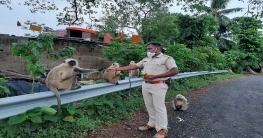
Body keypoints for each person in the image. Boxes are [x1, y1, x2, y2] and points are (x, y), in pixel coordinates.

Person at [106, 42, 178, 138]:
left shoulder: (166, 58)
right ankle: (151, 124)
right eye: (147, 49)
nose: (148, 51)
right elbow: (134, 67)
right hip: (146, 85)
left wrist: (156, 76)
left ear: (157, 48)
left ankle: (162, 129)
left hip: (159, 85)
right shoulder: (146, 59)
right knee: (149, 106)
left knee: (159, 107)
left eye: (150, 49)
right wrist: (117, 69)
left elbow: (175, 71)